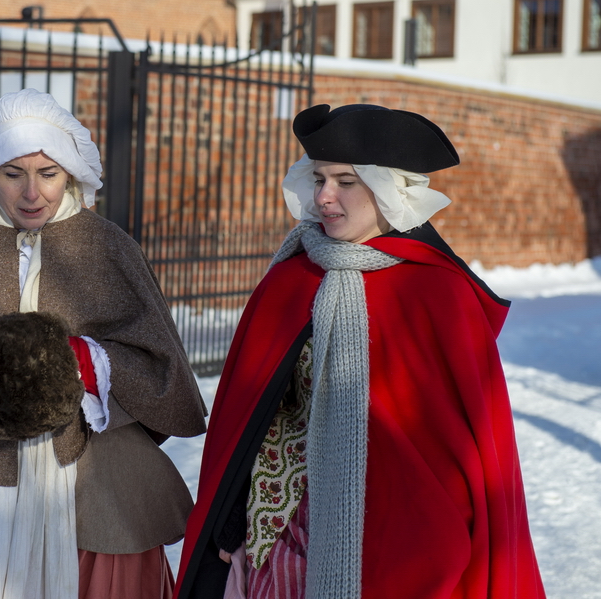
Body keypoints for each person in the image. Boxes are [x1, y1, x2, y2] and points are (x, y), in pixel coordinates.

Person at [173, 104, 546, 599]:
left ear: (390, 190)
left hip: (403, 547)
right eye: (320, 178)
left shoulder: (436, 293)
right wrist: (233, 518)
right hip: (282, 531)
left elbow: (469, 450)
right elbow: (252, 419)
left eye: (346, 181)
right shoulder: (291, 277)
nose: (324, 197)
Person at [0, 88, 207, 599]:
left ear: (69, 172)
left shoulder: (109, 247)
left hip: (89, 477)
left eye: (47, 174)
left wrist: (80, 362)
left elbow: (161, 367)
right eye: (13, 174)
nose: (32, 193)